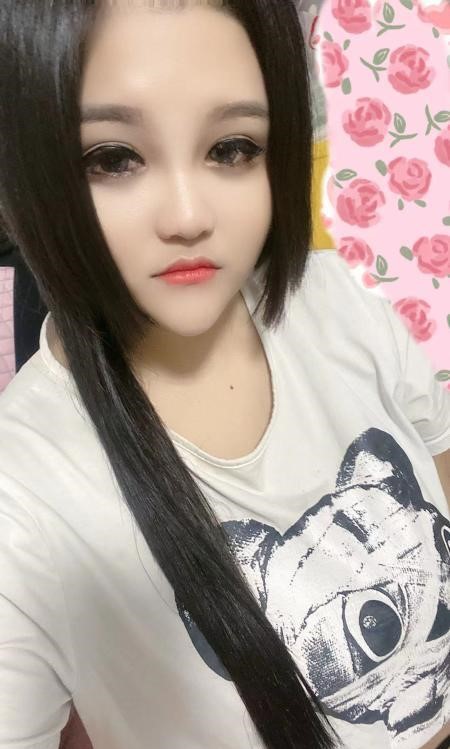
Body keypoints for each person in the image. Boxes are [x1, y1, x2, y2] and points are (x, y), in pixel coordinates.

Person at [0, 2, 448, 748]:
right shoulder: (22, 499)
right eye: (113, 157)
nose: (188, 215)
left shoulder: (346, 307)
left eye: (232, 147)